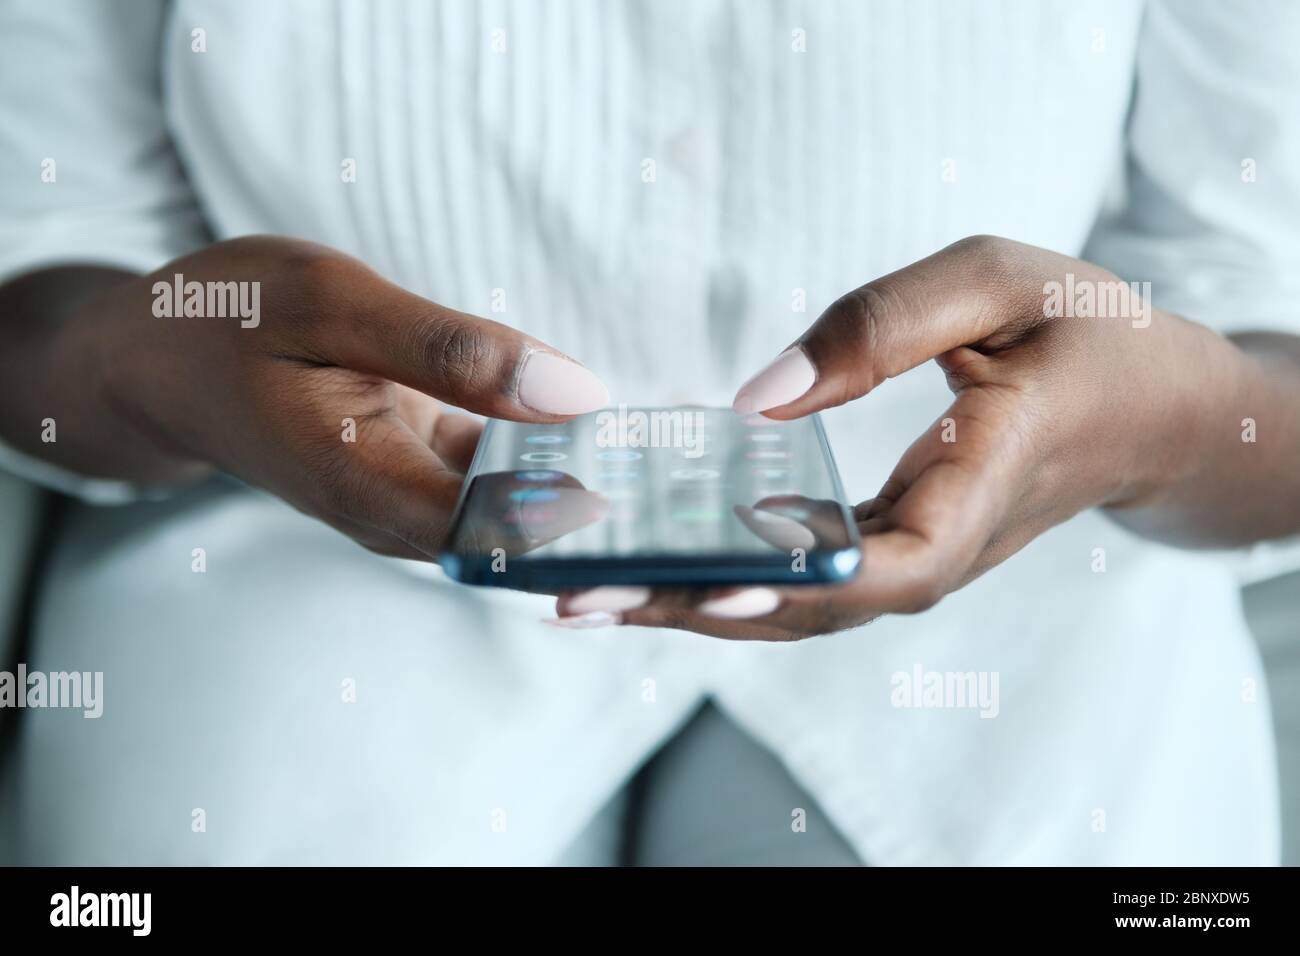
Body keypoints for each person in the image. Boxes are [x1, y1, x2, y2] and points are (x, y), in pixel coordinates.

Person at [1, 0, 1298, 865]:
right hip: (299, 546)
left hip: (1031, 566)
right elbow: (42, 273)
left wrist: (1170, 423)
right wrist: (146, 359)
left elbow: (1267, 344)